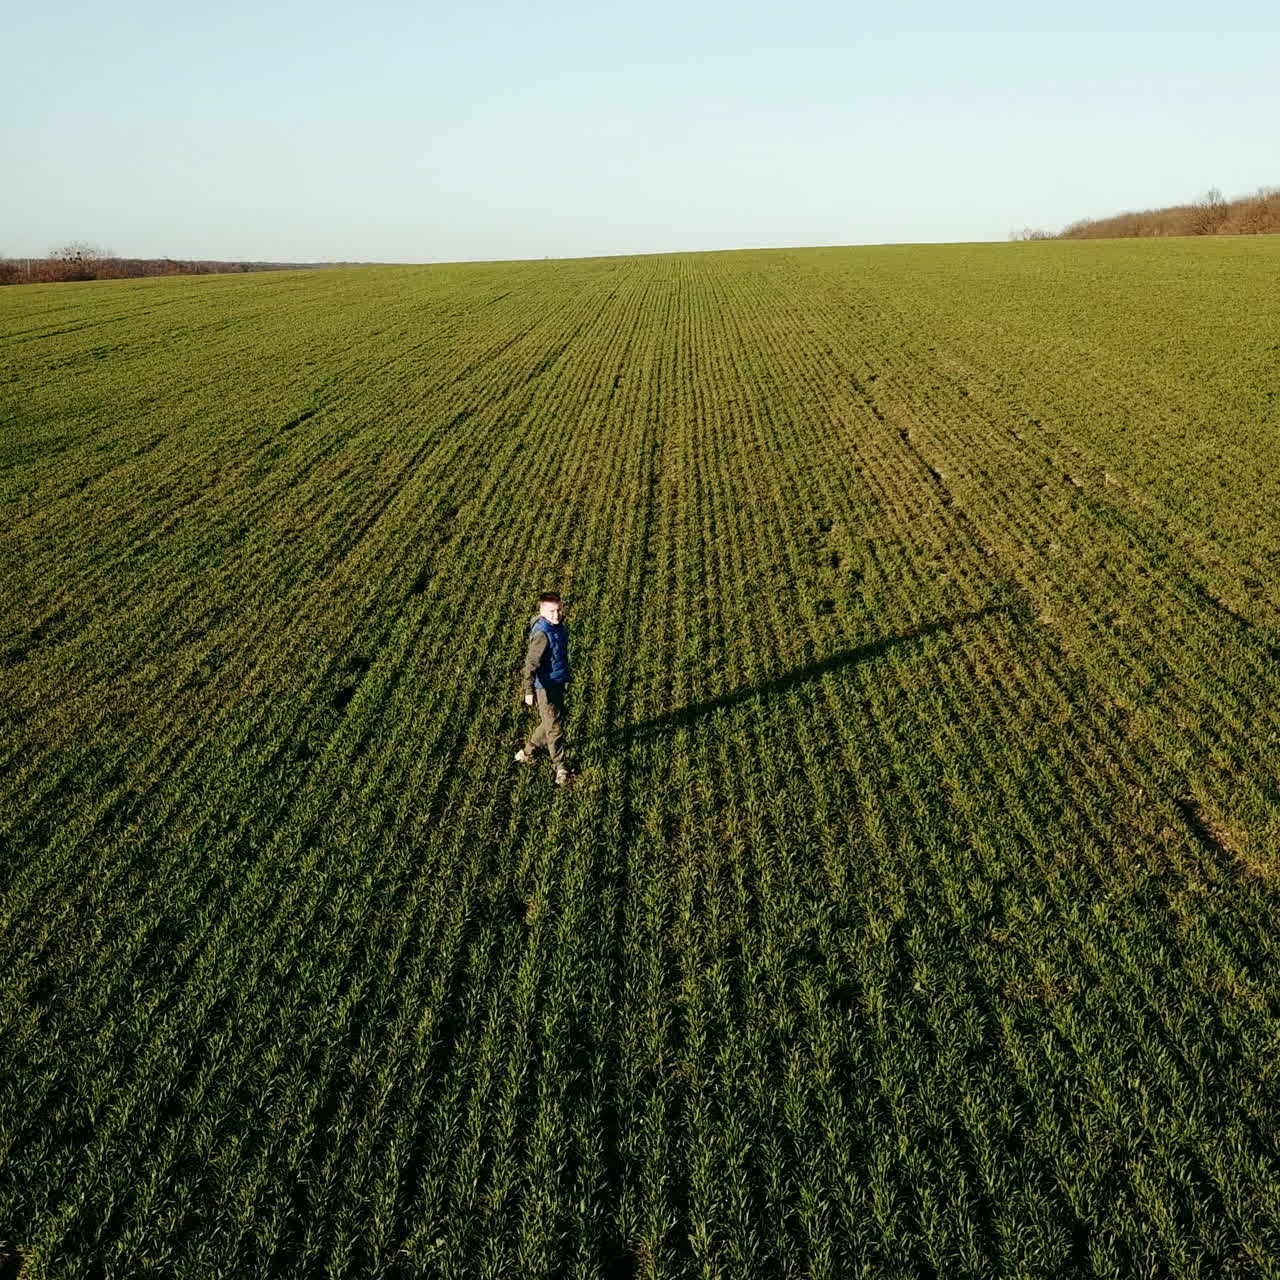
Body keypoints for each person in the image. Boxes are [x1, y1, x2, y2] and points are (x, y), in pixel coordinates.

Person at [514, 591, 573, 785]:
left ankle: (527, 752)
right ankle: (560, 766)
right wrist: (529, 690)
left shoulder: (557, 625)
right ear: (542, 611)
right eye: (551, 611)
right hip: (545, 687)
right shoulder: (541, 634)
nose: (556, 615)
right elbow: (531, 663)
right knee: (554, 728)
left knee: (553, 719)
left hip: (557, 681)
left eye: (558, 610)